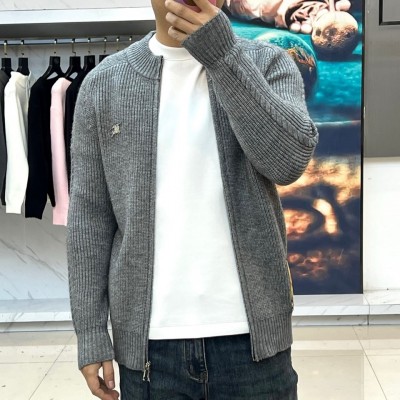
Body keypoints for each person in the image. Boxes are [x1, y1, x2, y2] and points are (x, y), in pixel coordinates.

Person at [67, 0, 318, 399]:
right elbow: (89, 218)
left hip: (253, 341)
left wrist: (221, 54)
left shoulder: (269, 62)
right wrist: (91, 332)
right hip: (149, 347)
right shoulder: (104, 84)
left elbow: (287, 162)